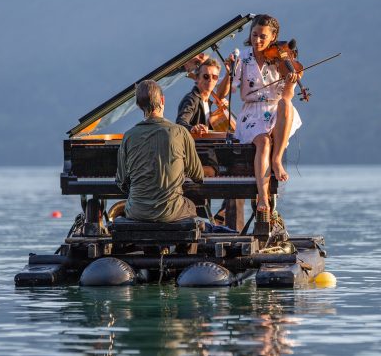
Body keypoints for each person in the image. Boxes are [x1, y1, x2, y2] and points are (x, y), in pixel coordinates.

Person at [216, 14, 301, 215]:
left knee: (286, 104)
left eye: (263, 36)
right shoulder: (242, 57)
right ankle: (263, 197)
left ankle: (277, 160)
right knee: (263, 142)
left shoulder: (281, 58)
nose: (258, 40)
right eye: (254, 35)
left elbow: (287, 96)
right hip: (251, 112)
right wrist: (228, 72)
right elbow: (220, 95)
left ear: (273, 37)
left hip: (275, 110)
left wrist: (290, 81)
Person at [115, 79, 203, 222]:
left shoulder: (129, 136)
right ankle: (183, 245)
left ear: (138, 105)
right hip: (171, 210)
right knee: (192, 207)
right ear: (162, 100)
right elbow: (198, 175)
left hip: (137, 211)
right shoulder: (180, 132)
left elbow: (121, 181)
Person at [176, 58, 222, 135]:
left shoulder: (207, 102)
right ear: (197, 78)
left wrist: (221, 112)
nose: (210, 80)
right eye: (206, 76)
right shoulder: (191, 99)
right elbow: (180, 124)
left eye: (214, 77)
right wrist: (193, 129)